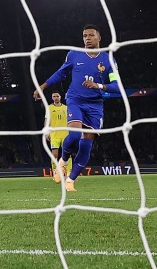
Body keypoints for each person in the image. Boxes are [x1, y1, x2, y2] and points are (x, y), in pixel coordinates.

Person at [34, 24, 121, 192]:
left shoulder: (108, 60)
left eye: (91, 35)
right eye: (84, 36)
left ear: (99, 37)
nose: (87, 38)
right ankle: (64, 161)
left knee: (87, 143)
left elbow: (117, 86)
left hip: (95, 105)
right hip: (75, 100)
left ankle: (71, 180)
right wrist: (43, 86)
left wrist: (98, 85)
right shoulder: (74, 54)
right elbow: (61, 73)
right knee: (74, 134)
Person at [45, 92, 70, 177]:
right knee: (54, 154)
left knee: (67, 153)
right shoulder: (49, 108)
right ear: (52, 98)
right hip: (54, 134)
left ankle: (68, 173)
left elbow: (70, 120)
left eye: (57, 96)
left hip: (65, 134)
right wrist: (46, 132)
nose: (56, 97)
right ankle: (55, 172)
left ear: (60, 97)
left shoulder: (66, 108)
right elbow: (47, 120)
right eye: (54, 96)